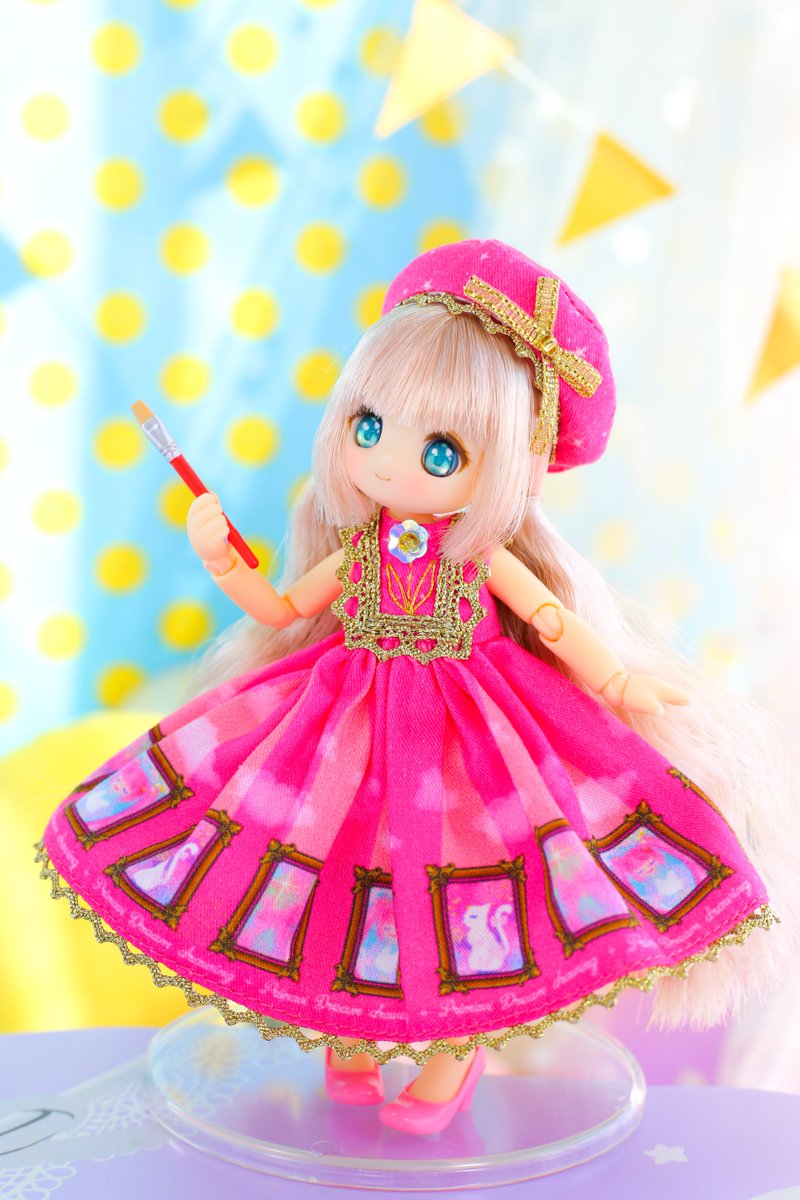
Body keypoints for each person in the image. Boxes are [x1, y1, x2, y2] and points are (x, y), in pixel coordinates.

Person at [39, 239, 791, 1136]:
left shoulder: (483, 556)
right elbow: (281, 607)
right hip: (344, 727)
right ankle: (346, 1040)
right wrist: (219, 557)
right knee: (338, 876)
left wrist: (619, 678)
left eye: (440, 449)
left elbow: (551, 619)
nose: (390, 461)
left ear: (503, 462)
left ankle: (451, 1059)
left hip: (467, 738)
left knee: (462, 890)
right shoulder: (361, 550)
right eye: (368, 427)